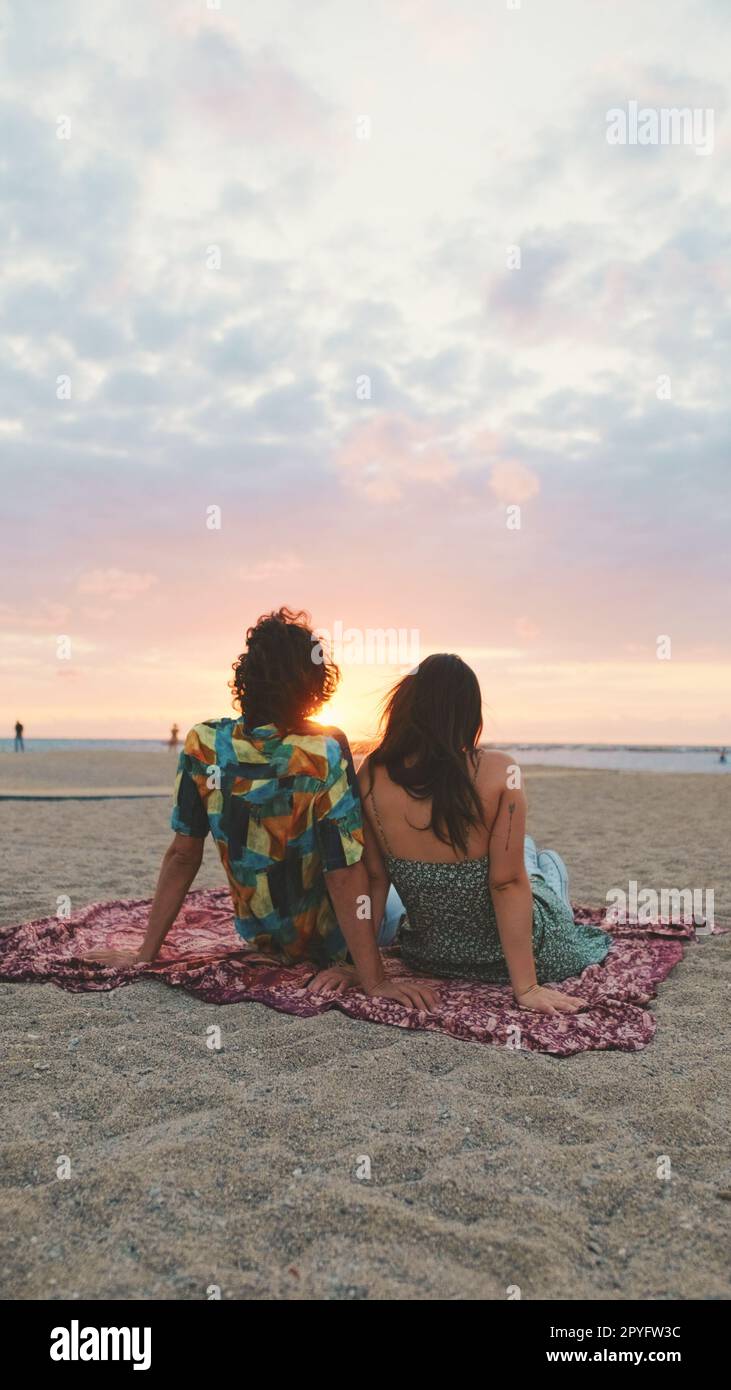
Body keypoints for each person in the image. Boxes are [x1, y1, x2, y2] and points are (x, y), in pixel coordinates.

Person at [85, 609, 435, 1012]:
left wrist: (145, 954)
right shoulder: (322, 751)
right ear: (314, 684)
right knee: (398, 903)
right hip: (333, 938)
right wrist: (372, 979)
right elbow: (344, 872)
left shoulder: (204, 743)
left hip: (264, 937)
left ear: (245, 677)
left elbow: (183, 854)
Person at [328, 654, 610, 1016]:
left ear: (405, 706)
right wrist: (525, 986)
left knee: (520, 852)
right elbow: (506, 883)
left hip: (433, 955)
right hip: (527, 949)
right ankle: (550, 868)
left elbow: (375, 879)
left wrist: (359, 965)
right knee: (535, 865)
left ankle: (533, 856)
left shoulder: (371, 774)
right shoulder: (499, 771)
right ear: (467, 714)